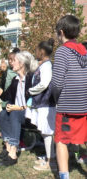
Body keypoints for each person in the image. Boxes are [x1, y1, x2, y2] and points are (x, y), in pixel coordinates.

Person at [51, 15, 87, 179]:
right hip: (85, 105)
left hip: (67, 107)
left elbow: (57, 83)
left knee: (61, 141)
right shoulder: (85, 51)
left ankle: (64, 176)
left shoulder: (62, 51)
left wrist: (55, 98)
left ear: (61, 32)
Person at [0, 51, 38, 166]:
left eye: (14, 61)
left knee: (15, 113)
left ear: (22, 63)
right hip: (17, 114)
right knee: (3, 114)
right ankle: (7, 147)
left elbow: (37, 103)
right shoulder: (15, 80)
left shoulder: (32, 79)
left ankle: (13, 151)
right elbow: (5, 97)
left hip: (31, 115)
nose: (11, 63)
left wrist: (19, 107)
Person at [25, 39, 57, 171]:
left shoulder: (46, 66)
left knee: (47, 133)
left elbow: (44, 83)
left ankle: (52, 163)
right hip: (43, 103)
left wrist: (31, 91)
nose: (35, 52)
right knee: (45, 133)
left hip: (46, 103)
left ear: (42, 52)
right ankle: (51, 157)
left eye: (37, 50)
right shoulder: (44, 65)